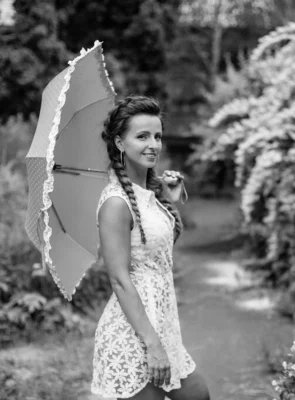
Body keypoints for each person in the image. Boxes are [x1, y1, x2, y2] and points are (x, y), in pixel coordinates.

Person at [91, 95, 210, 400]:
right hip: (135, 333)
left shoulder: (148, 194)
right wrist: (152, 344)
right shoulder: (116, 204)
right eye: (142, 136)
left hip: (163, 327)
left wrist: (168, 199)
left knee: (198, 396)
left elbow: (157, 250)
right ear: (120, 142)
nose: (153, 144)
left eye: (157, 136)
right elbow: (119, 278)